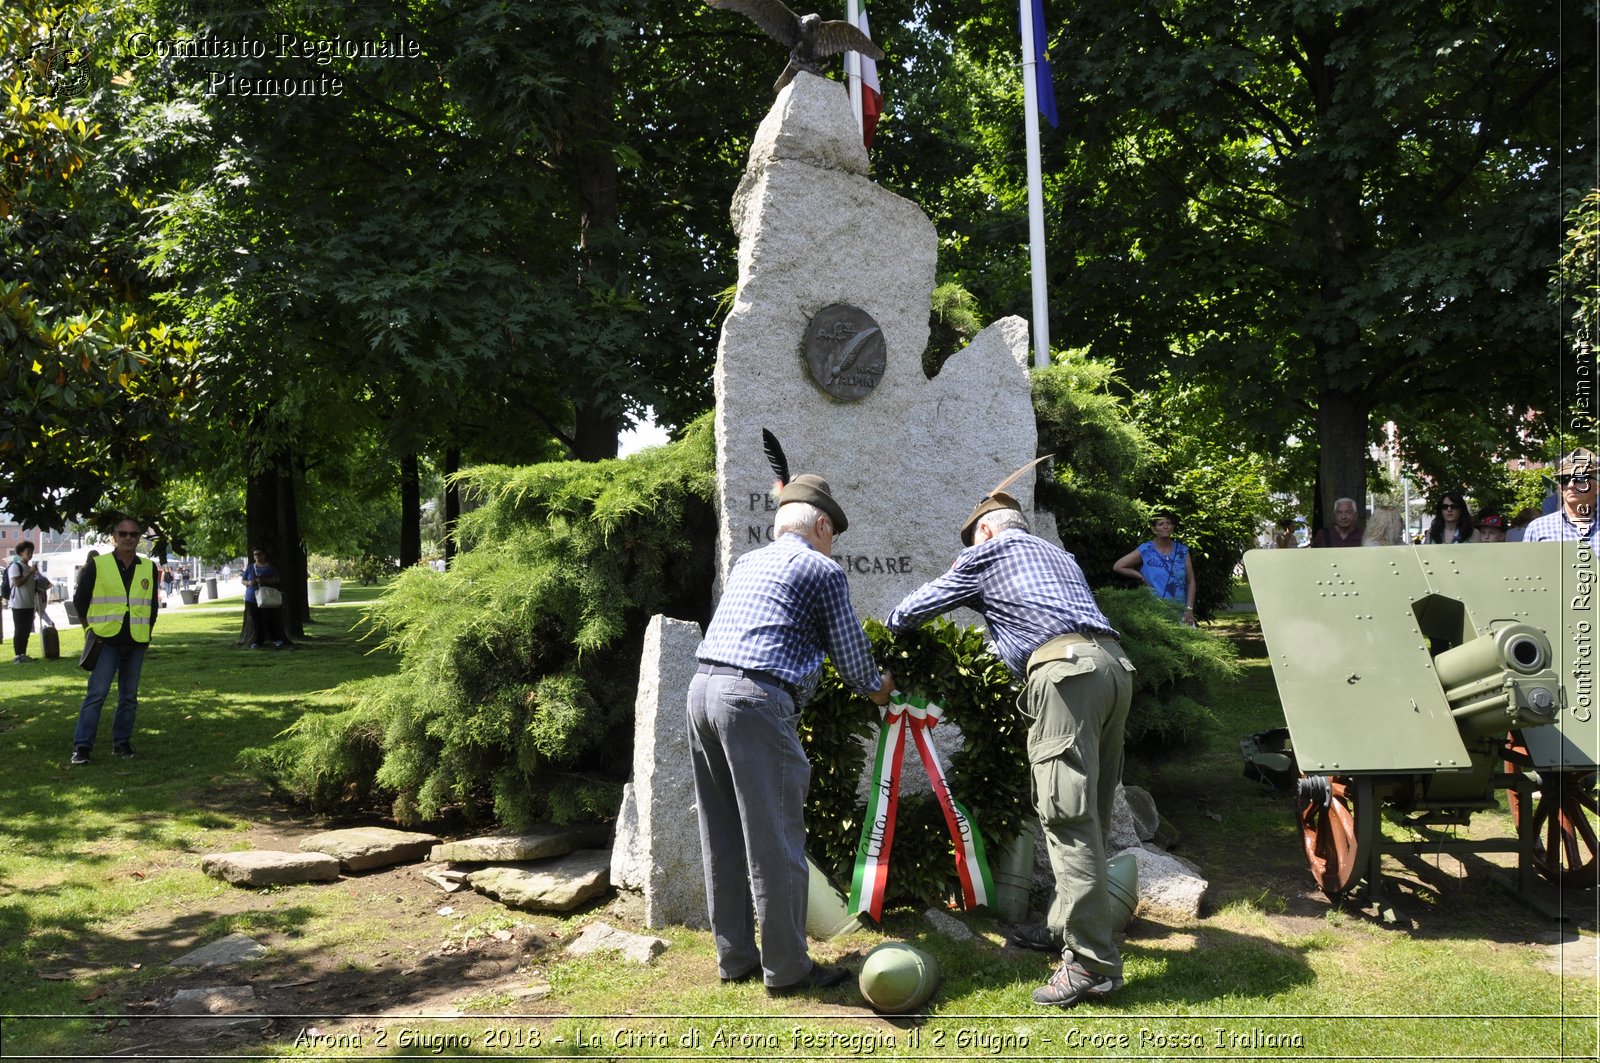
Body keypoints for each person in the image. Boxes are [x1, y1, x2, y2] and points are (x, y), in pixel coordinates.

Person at [887, 490, 1133, 1009]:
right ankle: (1065, 928)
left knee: (1066, 816)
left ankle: (1092, 966)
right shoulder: (1055, 555)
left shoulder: (989, 552)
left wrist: (890, 633)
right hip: (1113, 668)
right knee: (1094, 811)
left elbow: (910, 611)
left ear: (986, 532)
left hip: (1065, 677)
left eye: (974, 542)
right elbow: (1021, 625)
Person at [689, 473, 893, 995]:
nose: (833, 544)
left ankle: (735, 959)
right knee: (777, 838)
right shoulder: (821, 568)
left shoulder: (748, 562)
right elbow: (851, 658)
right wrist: (880, 688)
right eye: (833, 534)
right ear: (821, 525)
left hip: (702, 692)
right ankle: (787, 968)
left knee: (722, 833)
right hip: (753, 701)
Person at [70, 517, 158, 765]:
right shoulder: (98, 564)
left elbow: (151, 604)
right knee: (97, 694)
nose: (128, 538)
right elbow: (80, 600)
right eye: (123, 533)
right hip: (106, 639)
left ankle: (122, 744)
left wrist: (147, 632)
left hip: (136, 640)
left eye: (133, 534)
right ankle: (82, 747)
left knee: (129, 697)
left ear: (139, 537)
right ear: (114, 536)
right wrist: (89, 629)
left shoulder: (148, 567)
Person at [1112, 510, 1197, 626]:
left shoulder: (1182, 551)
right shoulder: (1146, 549)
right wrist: (1140, 577)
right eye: (1161, 524)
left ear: (1173, 527)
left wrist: (1189, 609)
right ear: (1154, 529)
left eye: (1168, 523)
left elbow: (1191, 581)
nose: (1165, 526)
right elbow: (1118, 566)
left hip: (1180, 613)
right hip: (1153, 612)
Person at [1525, 449, 1599, 545]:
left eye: (1580, 478)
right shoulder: (1538, 528)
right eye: (1565, 479)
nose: (1571, 485)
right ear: (1560, 488)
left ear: (1597, 487)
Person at [7, 540, 49, 663]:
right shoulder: (16, 567)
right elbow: (17, 583)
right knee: (19, 630)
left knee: (26, 630)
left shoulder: (29, 568)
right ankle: (17, 656)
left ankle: (23, 654)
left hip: (30, 604)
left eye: (31, 553)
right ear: (21, 553)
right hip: (18, 604)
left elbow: (32, 586)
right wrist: (29, 573)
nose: (30, 555)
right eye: (28, 553)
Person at [243, 546, 286, 648]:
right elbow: (243, 580)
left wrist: (264, 581)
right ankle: (258, 641)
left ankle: (275, 638)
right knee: (256, 621)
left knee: (268, 619)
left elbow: (276, 579)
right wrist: (249, 582)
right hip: (252, 598)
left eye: (259, 554)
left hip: (266, 598)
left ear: (264, 555)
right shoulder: (250, 567)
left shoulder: (270, 567)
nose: (257, 556)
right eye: (255, 554)